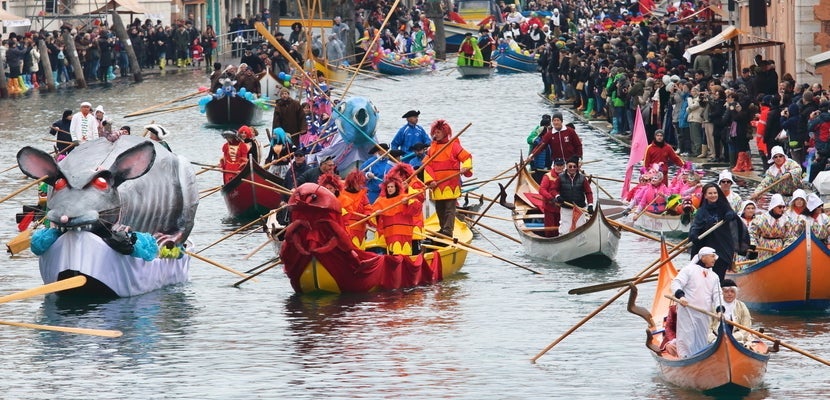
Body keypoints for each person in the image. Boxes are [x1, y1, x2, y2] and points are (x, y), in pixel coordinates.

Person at [689, 183, 750, 281]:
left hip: (723, 247)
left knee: (719, 276)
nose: (713, 195)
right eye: (710, 193)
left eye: (715, 193)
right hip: (708, 246)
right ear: (705, 195)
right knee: (706, 277)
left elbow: (734, 218)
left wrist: (731, 215)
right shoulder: (701, 211)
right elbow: (696, 225)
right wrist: (694, 234)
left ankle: (719, 291)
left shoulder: (724, 207)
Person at [671, 246, 724, 358]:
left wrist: (720, 310)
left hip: (704, 313)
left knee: (701, 339)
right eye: (712, 256)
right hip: (687, 310)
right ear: (703, 257)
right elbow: (676, 283)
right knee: (687, 337)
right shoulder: (689, 270)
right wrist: (681, 297)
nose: (715, 259)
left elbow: (717, 294)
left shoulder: (714, 276)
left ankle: (699, 359)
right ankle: (685, 358)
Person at [424, 119, 473, 238]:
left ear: (445, 132)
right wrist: (430, 180)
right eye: (435, 132)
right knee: (439, 209)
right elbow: (427, 166)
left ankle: (448, 230)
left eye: (438, 132)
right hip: (437, 184)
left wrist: (465, 167)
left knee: (449, 209)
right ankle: (442, 228)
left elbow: (467, 157)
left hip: (451, 183)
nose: (436, 135)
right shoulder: (432, 149)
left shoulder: (454, 146)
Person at [370, 175, 422, 255]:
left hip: (404, 233)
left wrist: (408, 202)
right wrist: (377, 214)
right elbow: (371, 217)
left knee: (405, 255)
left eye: (392, 187)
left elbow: (417, 207)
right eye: (388, 187)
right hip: (390, 234)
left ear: (396, 187)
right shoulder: (380, 201)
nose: (390, 189)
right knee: (393, 255)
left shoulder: (405, 197)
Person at [549, 156, 594, 235]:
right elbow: (553, 190)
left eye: (574, 166)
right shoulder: (560, 177)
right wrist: (557, 196)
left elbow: (588, 192)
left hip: (580, 208)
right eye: (570, 166)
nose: (572, 168)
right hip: (566, 207)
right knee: (565, 230)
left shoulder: (583, 178)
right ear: (566, 166)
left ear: (577, 167)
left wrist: (590, 205)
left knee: (580, 229)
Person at [748, 194, 799, 261]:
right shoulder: (761, 219)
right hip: (764, 247)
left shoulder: (787, 221)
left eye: (783, 207)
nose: (782, 209)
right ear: (773, 207)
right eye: (780, 207)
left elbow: (790, 237)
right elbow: (752, 233)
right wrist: (753, 245)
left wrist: (785, 249)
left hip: (779, 249)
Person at [709, 279, 753, 344]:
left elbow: (746, 328)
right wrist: (713, 340)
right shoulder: (712, 306)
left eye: (732, 291)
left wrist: (732, 338)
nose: (729, 294)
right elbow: (707, 329)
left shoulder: (742, 306)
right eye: (726, 291)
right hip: (716, 340)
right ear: (721, 293)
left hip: (737, 340)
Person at [339, 169, 371, 247]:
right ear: (352, 183)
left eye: (362, 183)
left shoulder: (362, 194)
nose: (361, 186)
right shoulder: (341, 194)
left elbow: (368, 208)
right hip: (346, 228)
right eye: (359, 183)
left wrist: (368, 215)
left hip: (359, 229)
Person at [538, 158, 566, 237]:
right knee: (550, 228)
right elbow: (541, 190)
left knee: (561, 227)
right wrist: (550, 198)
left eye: (561, 165)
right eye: (557, 165)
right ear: (554, 166)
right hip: (550, 206)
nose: (559, 167)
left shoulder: (566, 176)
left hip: (562, 207)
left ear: (564, 166)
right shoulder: (548, 176)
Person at [527, 114, 553, 183]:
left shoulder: (552, 132)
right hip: (536, 164)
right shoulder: (537, 131)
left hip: (547, 164)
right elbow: (529, 140)